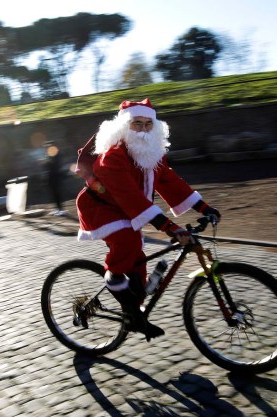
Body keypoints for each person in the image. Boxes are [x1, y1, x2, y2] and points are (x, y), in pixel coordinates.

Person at [76, 98, 221, 341]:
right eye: (136, 124)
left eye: (147, 125)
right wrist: (169, 227)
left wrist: (203, 207)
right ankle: (124, 299)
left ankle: (135, 302)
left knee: (138, 265)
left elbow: (169, 181)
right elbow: (131, 197)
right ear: (123, 126)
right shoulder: (111, 156)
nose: (143, 131)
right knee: (127, 243)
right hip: (101, 209)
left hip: (128, 209)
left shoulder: (151, 154)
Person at [44, 141, 66, 216]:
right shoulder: (50, 155)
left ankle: (61, 209)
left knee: (57, 193)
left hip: (56, 176)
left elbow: (55, 165)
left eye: (48, 146)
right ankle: (57, 209)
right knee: (53, 194)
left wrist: (47, 162)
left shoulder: (56, 154)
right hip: (51, 177)